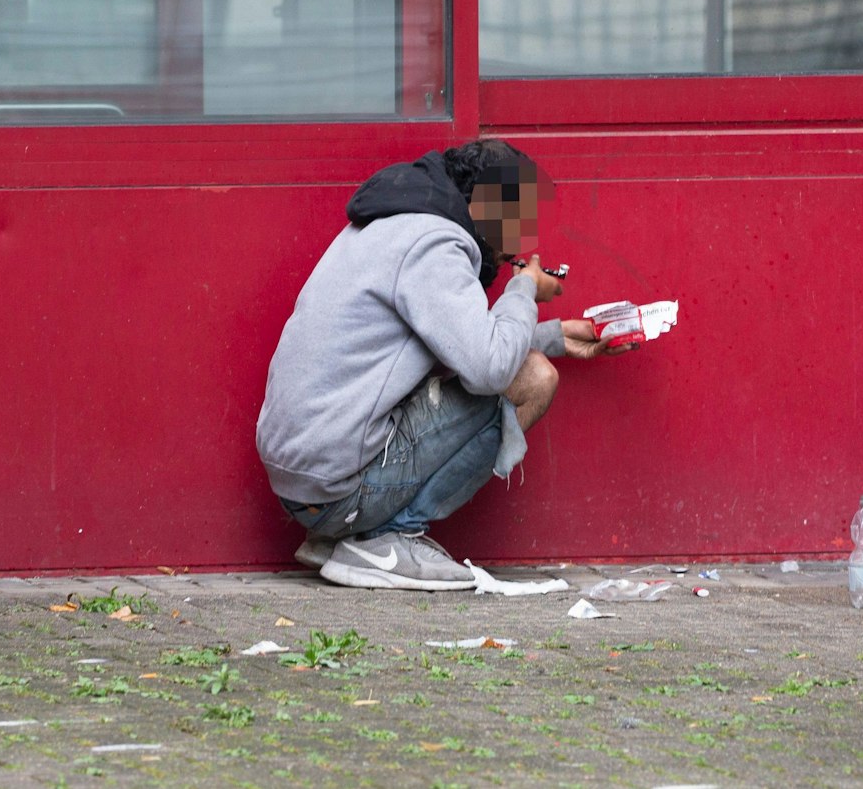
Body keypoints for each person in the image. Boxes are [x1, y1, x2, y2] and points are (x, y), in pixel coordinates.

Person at [255, 139, 633, 590]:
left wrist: (558, 336)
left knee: (526, 363)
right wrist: (523, 289)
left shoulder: (395, 224)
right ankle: (384, 537)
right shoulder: (436, 245)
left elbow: (456, 339)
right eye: (516, 221)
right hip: (340, 487)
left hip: (310, 486)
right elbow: (489, 369)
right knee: (533, 378)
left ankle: (343, 536)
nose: (520, 240)